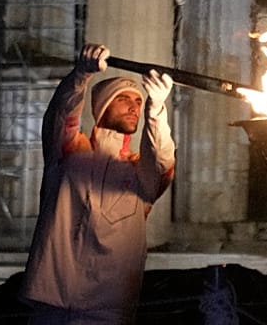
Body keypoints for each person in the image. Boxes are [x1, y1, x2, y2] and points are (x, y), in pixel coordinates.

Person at [19, 43, 176, 324]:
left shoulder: (140, 171)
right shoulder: (70, 152)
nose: (134, 106)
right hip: (51, 305)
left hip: (108, 311)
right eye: (123, 99)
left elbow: (162, 161)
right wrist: (81, 75)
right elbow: (59, 115)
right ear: (102, 106)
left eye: (139, 101)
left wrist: (156, 111)